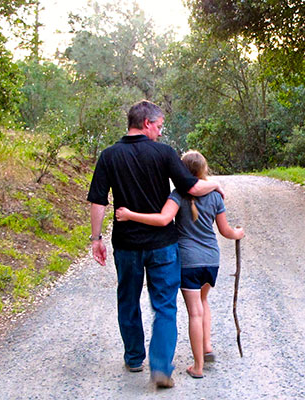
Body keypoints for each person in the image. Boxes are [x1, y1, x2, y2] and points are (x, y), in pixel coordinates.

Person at [87, 100, 223, 389]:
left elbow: (98, 200)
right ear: (147, 123)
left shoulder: (109, 155)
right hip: (163, 245)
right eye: (159, 126)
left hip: (126, 245)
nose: (160, 133)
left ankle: (135, 357)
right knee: (165, 306)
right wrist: (216, 185)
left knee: (128, 299)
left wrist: (96, 238)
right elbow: (193, 187)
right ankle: (161, 366)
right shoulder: (164, 153)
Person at [115, 150, 244, 379]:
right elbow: (226, 231)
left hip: (188, 262)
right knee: (204, 302)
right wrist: (238, 233)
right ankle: (207, 346)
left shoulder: (177, 196)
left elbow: (163, 219)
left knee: (194, 312)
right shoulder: (215, 196)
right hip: (211, 260)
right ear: (204, 169)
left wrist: (130, 215)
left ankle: (198, 366)